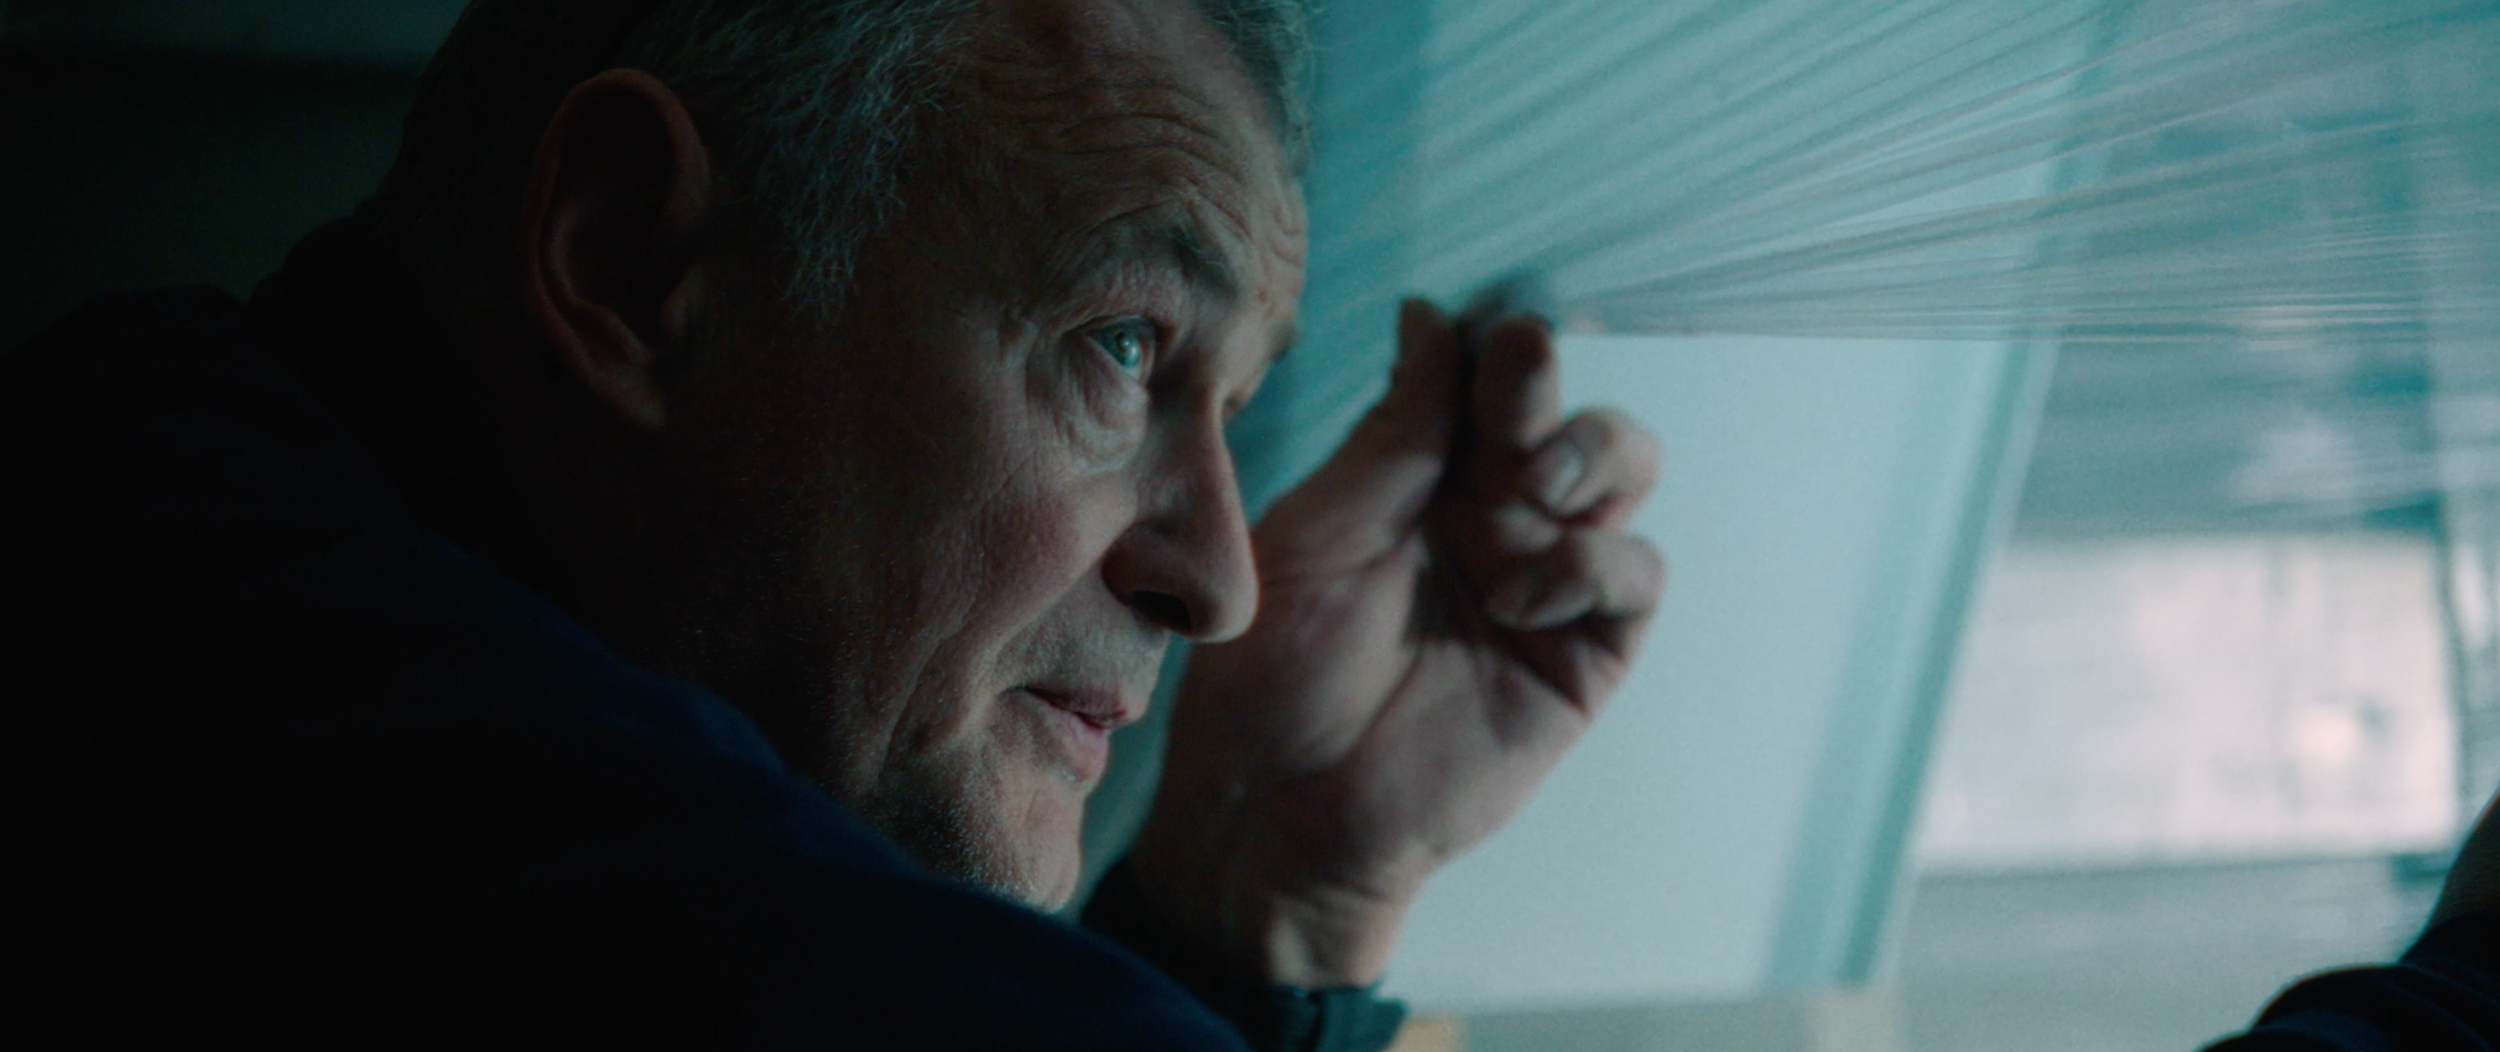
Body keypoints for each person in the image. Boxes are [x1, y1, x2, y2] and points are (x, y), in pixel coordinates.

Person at [1, 0, 2487, 1048]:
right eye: (1118, 349)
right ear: (634, 261)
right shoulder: (177, 639)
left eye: (1229, 401)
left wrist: (1259, 899)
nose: (1216, 570)